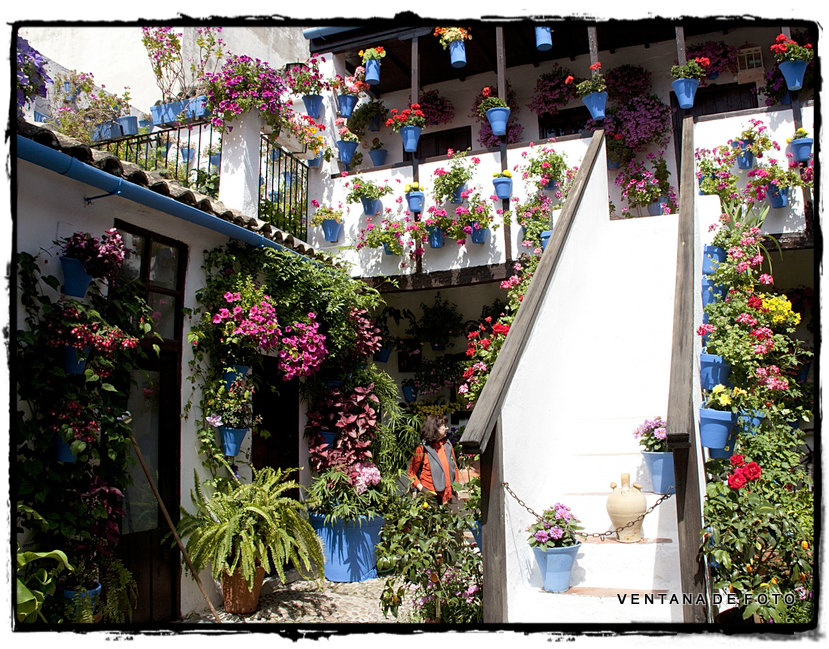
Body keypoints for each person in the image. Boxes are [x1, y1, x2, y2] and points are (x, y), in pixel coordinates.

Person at [408, 414, 459, 506]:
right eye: (444, 426)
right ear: (435, 429)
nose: (447, 428)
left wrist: (456, 488)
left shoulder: (447, 445)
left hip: (447, 496)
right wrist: (423, 489)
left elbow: (454, 468)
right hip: (429, 497)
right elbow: (412, 473)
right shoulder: (422, 448)